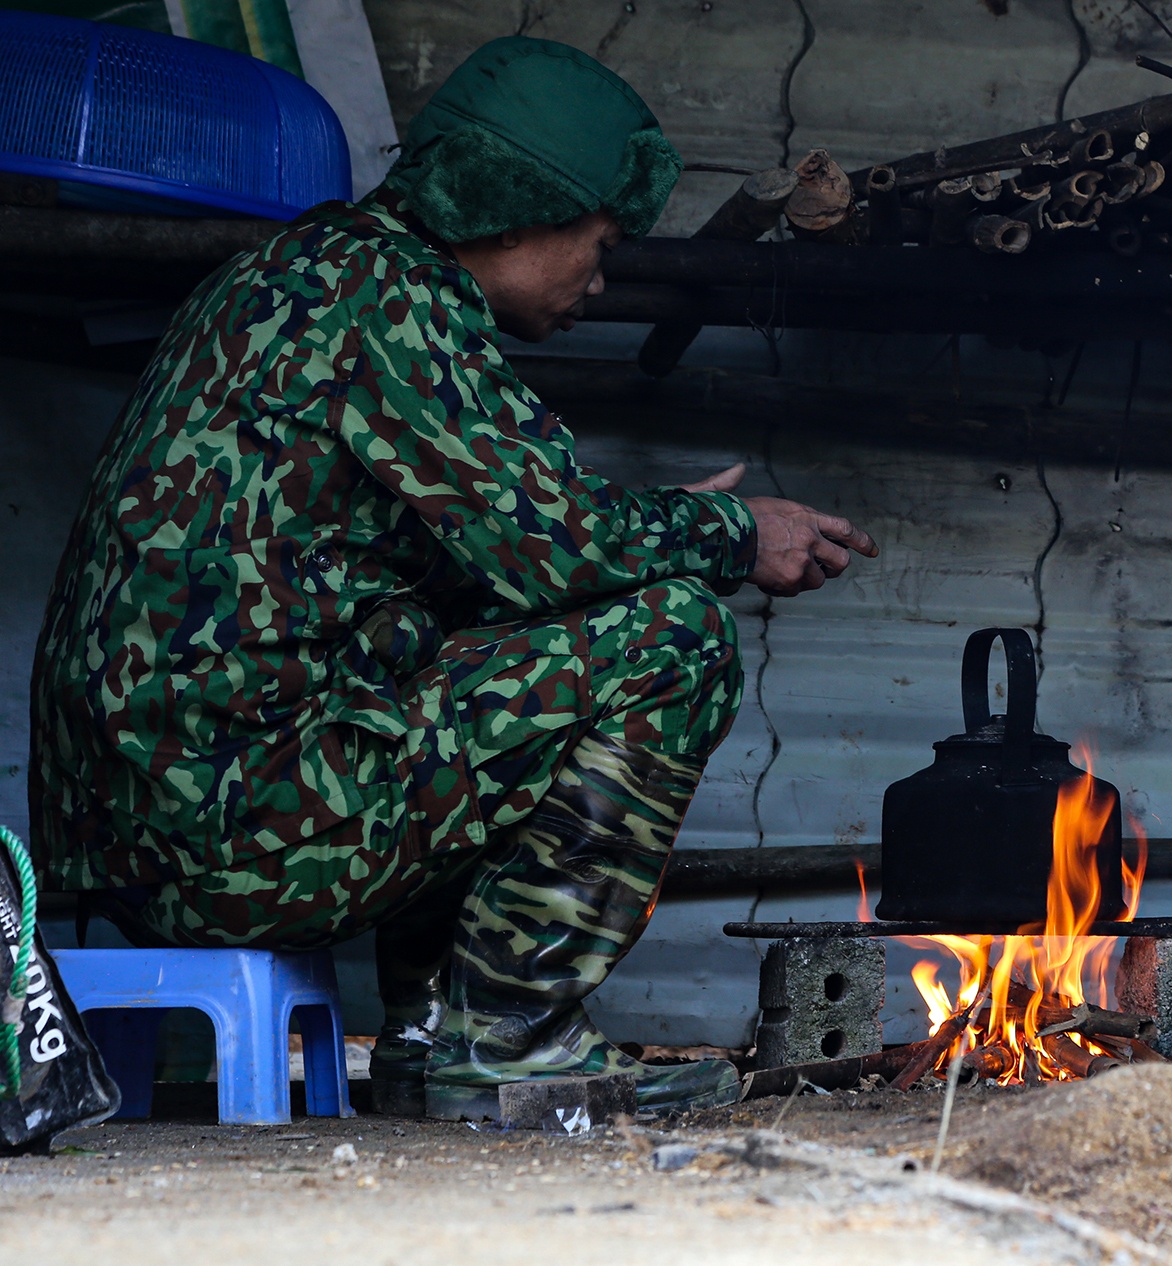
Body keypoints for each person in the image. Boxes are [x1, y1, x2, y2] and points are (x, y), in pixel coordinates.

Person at [29, 35, 875, 1120]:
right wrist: (725, 533)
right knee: (673, 637)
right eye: (599, 241)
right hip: (224, 838)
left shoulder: (299, 277)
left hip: (148, 833)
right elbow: (556, 545)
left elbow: (492, 567)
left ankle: (433, 1038)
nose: (600, 278)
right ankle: (510, 1039)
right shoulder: (387, 295)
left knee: (502, 650)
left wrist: (642, 535)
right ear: (516, 213)